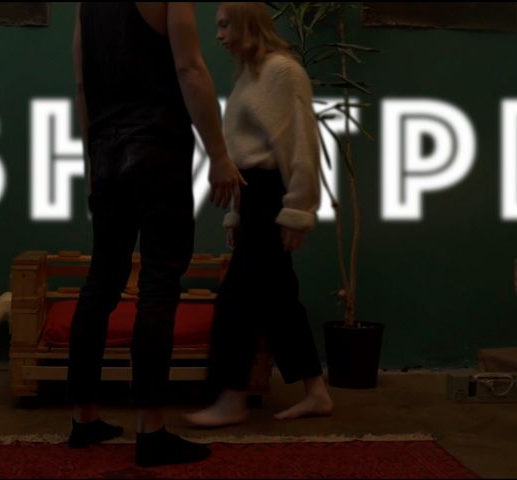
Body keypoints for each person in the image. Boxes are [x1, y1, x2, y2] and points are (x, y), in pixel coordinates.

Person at [67, 2, 245, 467]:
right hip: (158, 151)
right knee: (159, 285)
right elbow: (189, 67)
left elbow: (83, 86)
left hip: (106, 152)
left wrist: (93, 161)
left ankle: (84, 418)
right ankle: (150, 429)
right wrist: (218, 154)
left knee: (101, 282)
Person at [184, 2, 334, 429]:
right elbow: (242, 154)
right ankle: (316, 392)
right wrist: (236, 214)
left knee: (237, 300)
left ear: (247, 23)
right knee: (279, 298)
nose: (218, 35)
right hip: (253, 198)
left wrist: (297, 210)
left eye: (225, 25)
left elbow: (301, 145)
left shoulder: (283, 72)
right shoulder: (248, 76)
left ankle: (232, 398)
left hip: (271, 198)